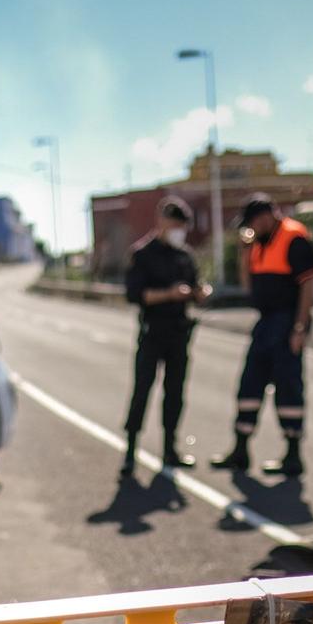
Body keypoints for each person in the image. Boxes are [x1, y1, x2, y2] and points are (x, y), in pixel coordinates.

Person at [212, 194, 313, 477]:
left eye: (253, 222)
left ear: (266, 216)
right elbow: (249, 284)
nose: (251, 227)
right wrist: (243, 252)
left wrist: (300, 327)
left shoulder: (293, 238)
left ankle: (293, 454)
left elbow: (309, 285)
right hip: (265, 322)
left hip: (287, 321)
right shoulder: (258, 244)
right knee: (249, 384)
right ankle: (240, 450)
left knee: (288, 387)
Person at [121, 196, 207, 475]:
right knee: (142, 390)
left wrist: (199, 293)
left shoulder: (185, 255)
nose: (178, 232)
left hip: (179, 333)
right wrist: (168, 294)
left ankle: (171, 449)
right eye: (174, 226)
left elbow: (195, 285)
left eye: (182, 227)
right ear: (161, 222)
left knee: (175, 393)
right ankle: (131, 449)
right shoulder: (143, 254)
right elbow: (135, 295)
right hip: (152, 333)